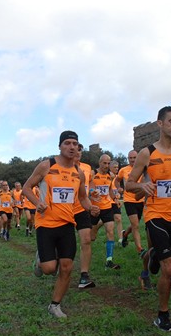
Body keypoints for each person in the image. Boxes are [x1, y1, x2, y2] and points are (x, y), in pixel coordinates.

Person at [126, 106, 171, 331]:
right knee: (168, 268)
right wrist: (141, 186)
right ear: (160, 124)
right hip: (156, 215)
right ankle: (162, 316)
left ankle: (154, 253)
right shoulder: (147, 153)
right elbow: (129, 184)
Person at [23, 131, 97, 318]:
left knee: (66, 267)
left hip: (67, 224)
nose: (72, 147)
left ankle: (55, 305)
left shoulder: (78, 173)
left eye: (75, 144)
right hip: (46, 223)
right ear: (60, 146)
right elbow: (26, 188)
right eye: (67, 143)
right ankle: (41, 260)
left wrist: (91, 207)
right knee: (49, 269)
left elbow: (82, 197)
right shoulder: (46, 165)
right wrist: (36, 202)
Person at [115, 149, 151, 290]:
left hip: (141, 200)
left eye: (134, 157)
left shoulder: (142, 169)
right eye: (130, 157)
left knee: (134, 225)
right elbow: (117, 181)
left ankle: (125, 234)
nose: (132, 160)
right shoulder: (123, 170)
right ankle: (140, 249)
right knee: (136, 225)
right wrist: (119, 189)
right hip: (129, 200)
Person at [90, 154, 121, 270]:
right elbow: (88, 187)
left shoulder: (110, 176)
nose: (107, 166)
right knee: (91, 238)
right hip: (94, 208)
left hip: (107, 207)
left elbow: (109, 191)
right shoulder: (93, 174)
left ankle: (109, 261)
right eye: (104, 163)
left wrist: (115, 200)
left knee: (110, 231)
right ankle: (84, 252)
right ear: (99, 163)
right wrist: (93, 191)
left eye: (108, 163)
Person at [74, 143, 97, 288]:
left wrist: (93, 192)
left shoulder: (87, 168)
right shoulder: (58, 167)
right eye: (76, 150)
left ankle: (84, 275)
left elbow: (91, 183)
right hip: (63, 210)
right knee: (63, 242)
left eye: (80, 151)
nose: (78, 153)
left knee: (86, 239)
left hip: (81, 208)